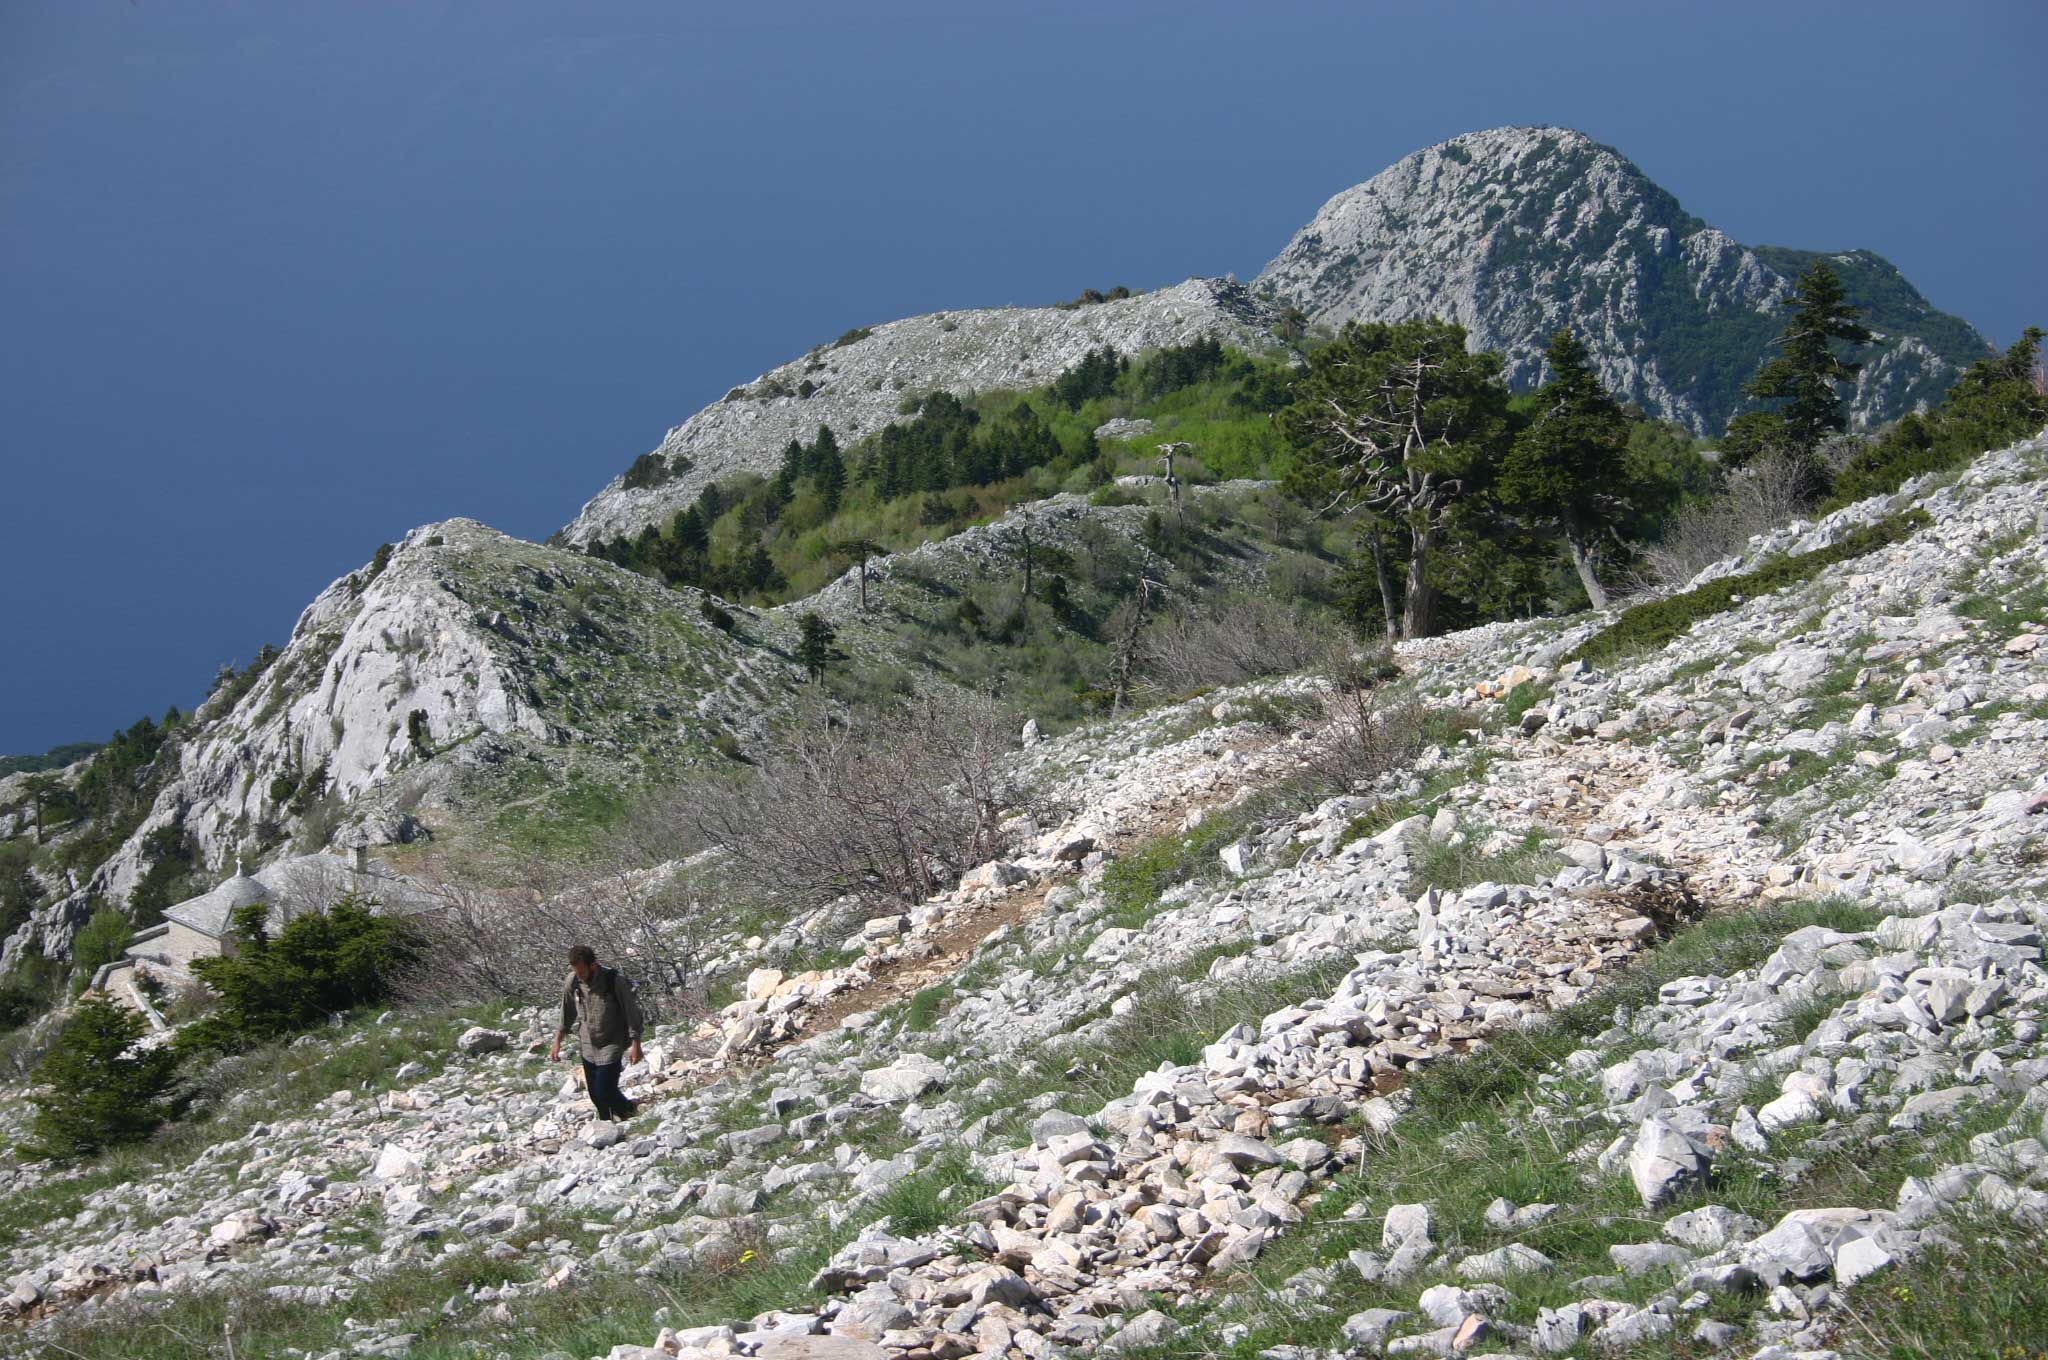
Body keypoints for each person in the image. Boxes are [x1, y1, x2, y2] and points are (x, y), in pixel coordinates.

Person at [549, 944, 645, 1125]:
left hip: (612, 1043)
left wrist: (636, 1045)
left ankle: (629, 1111)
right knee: (596, 1097)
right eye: (576, 971)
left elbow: (632, 1013)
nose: (579, 976)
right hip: (588, 1045)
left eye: (582, 972)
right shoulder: (574, 981)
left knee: (605, 1090)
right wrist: (557, 1041)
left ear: (593, 965)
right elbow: (567, 1012)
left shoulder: (614, 981)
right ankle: (607, 1128)